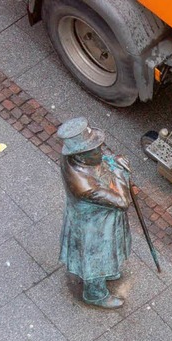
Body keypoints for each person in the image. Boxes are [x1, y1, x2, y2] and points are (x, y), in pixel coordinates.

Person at [57, 117, 132, 309]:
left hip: (98, 218)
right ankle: (95, 293)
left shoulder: (71, 156)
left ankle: (107, 272)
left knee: (105, 252)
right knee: (96, 257)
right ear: (81, 156)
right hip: (94, 226)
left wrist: (110, 161)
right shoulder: (84, 186)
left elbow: (101, 161)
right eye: (94, 150)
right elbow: (123, 202)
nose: (101, 151)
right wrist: (120, 173)